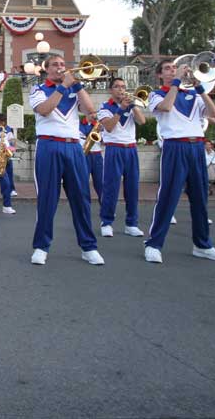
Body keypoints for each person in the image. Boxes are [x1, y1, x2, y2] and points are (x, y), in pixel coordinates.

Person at [143, 60, 215, 264]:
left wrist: (199, 86)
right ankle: (154, 244)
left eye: (174, 68)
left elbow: (213, 113)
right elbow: (166, 107)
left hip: (196, 146)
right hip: (175, 147)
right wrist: (177, 81)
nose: (173, 70)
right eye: (168, 69)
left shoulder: (194, 95)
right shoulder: (157, 95)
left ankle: (202, 245)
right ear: (160, 75)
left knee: (200, 197)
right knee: (169, 196)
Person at [28, 54, 104, 266]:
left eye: (63, 64)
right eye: (55, 65)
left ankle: (88, 247)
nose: (60, 68)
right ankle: (41, 247)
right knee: (47, 199)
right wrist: (63, 88)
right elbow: (44, 110)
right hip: (49, 145)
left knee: (81, 198)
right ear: (46, 69)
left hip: (73, 146)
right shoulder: (38, 90)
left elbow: (90, 111)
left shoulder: (73, 89)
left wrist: (77, 86)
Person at [97, 78, 146, 237]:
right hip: (114, 149)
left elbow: (142, 121)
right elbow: (109, 127)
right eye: (117, 87)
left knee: (132, 188)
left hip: (131, 149)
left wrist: (133, 106)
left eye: (123, 87)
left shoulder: (131, 106)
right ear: (111, 90)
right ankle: (106, 222)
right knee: (111, 187)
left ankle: (131, 223)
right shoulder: (104, 107)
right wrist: (121, 109)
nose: (121, 89)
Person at [79, 115, 104, 205]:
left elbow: (104, 141)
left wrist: (102, 131)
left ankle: (104, 206)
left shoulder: (100, 125)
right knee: (83, 182)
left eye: (94, 113)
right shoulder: (79, 125)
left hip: (97, 155)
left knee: (100, 182)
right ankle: (84, 205)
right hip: (84, 155)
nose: (94, 115)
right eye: (91, 113)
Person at [0, 113, 18, 197]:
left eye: (4, 122)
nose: (3, 123)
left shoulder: (8, 128)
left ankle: (12, 189)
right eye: (1, 122)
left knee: (9, 173)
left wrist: (12, 148)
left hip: (6, 155)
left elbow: (12, 140)